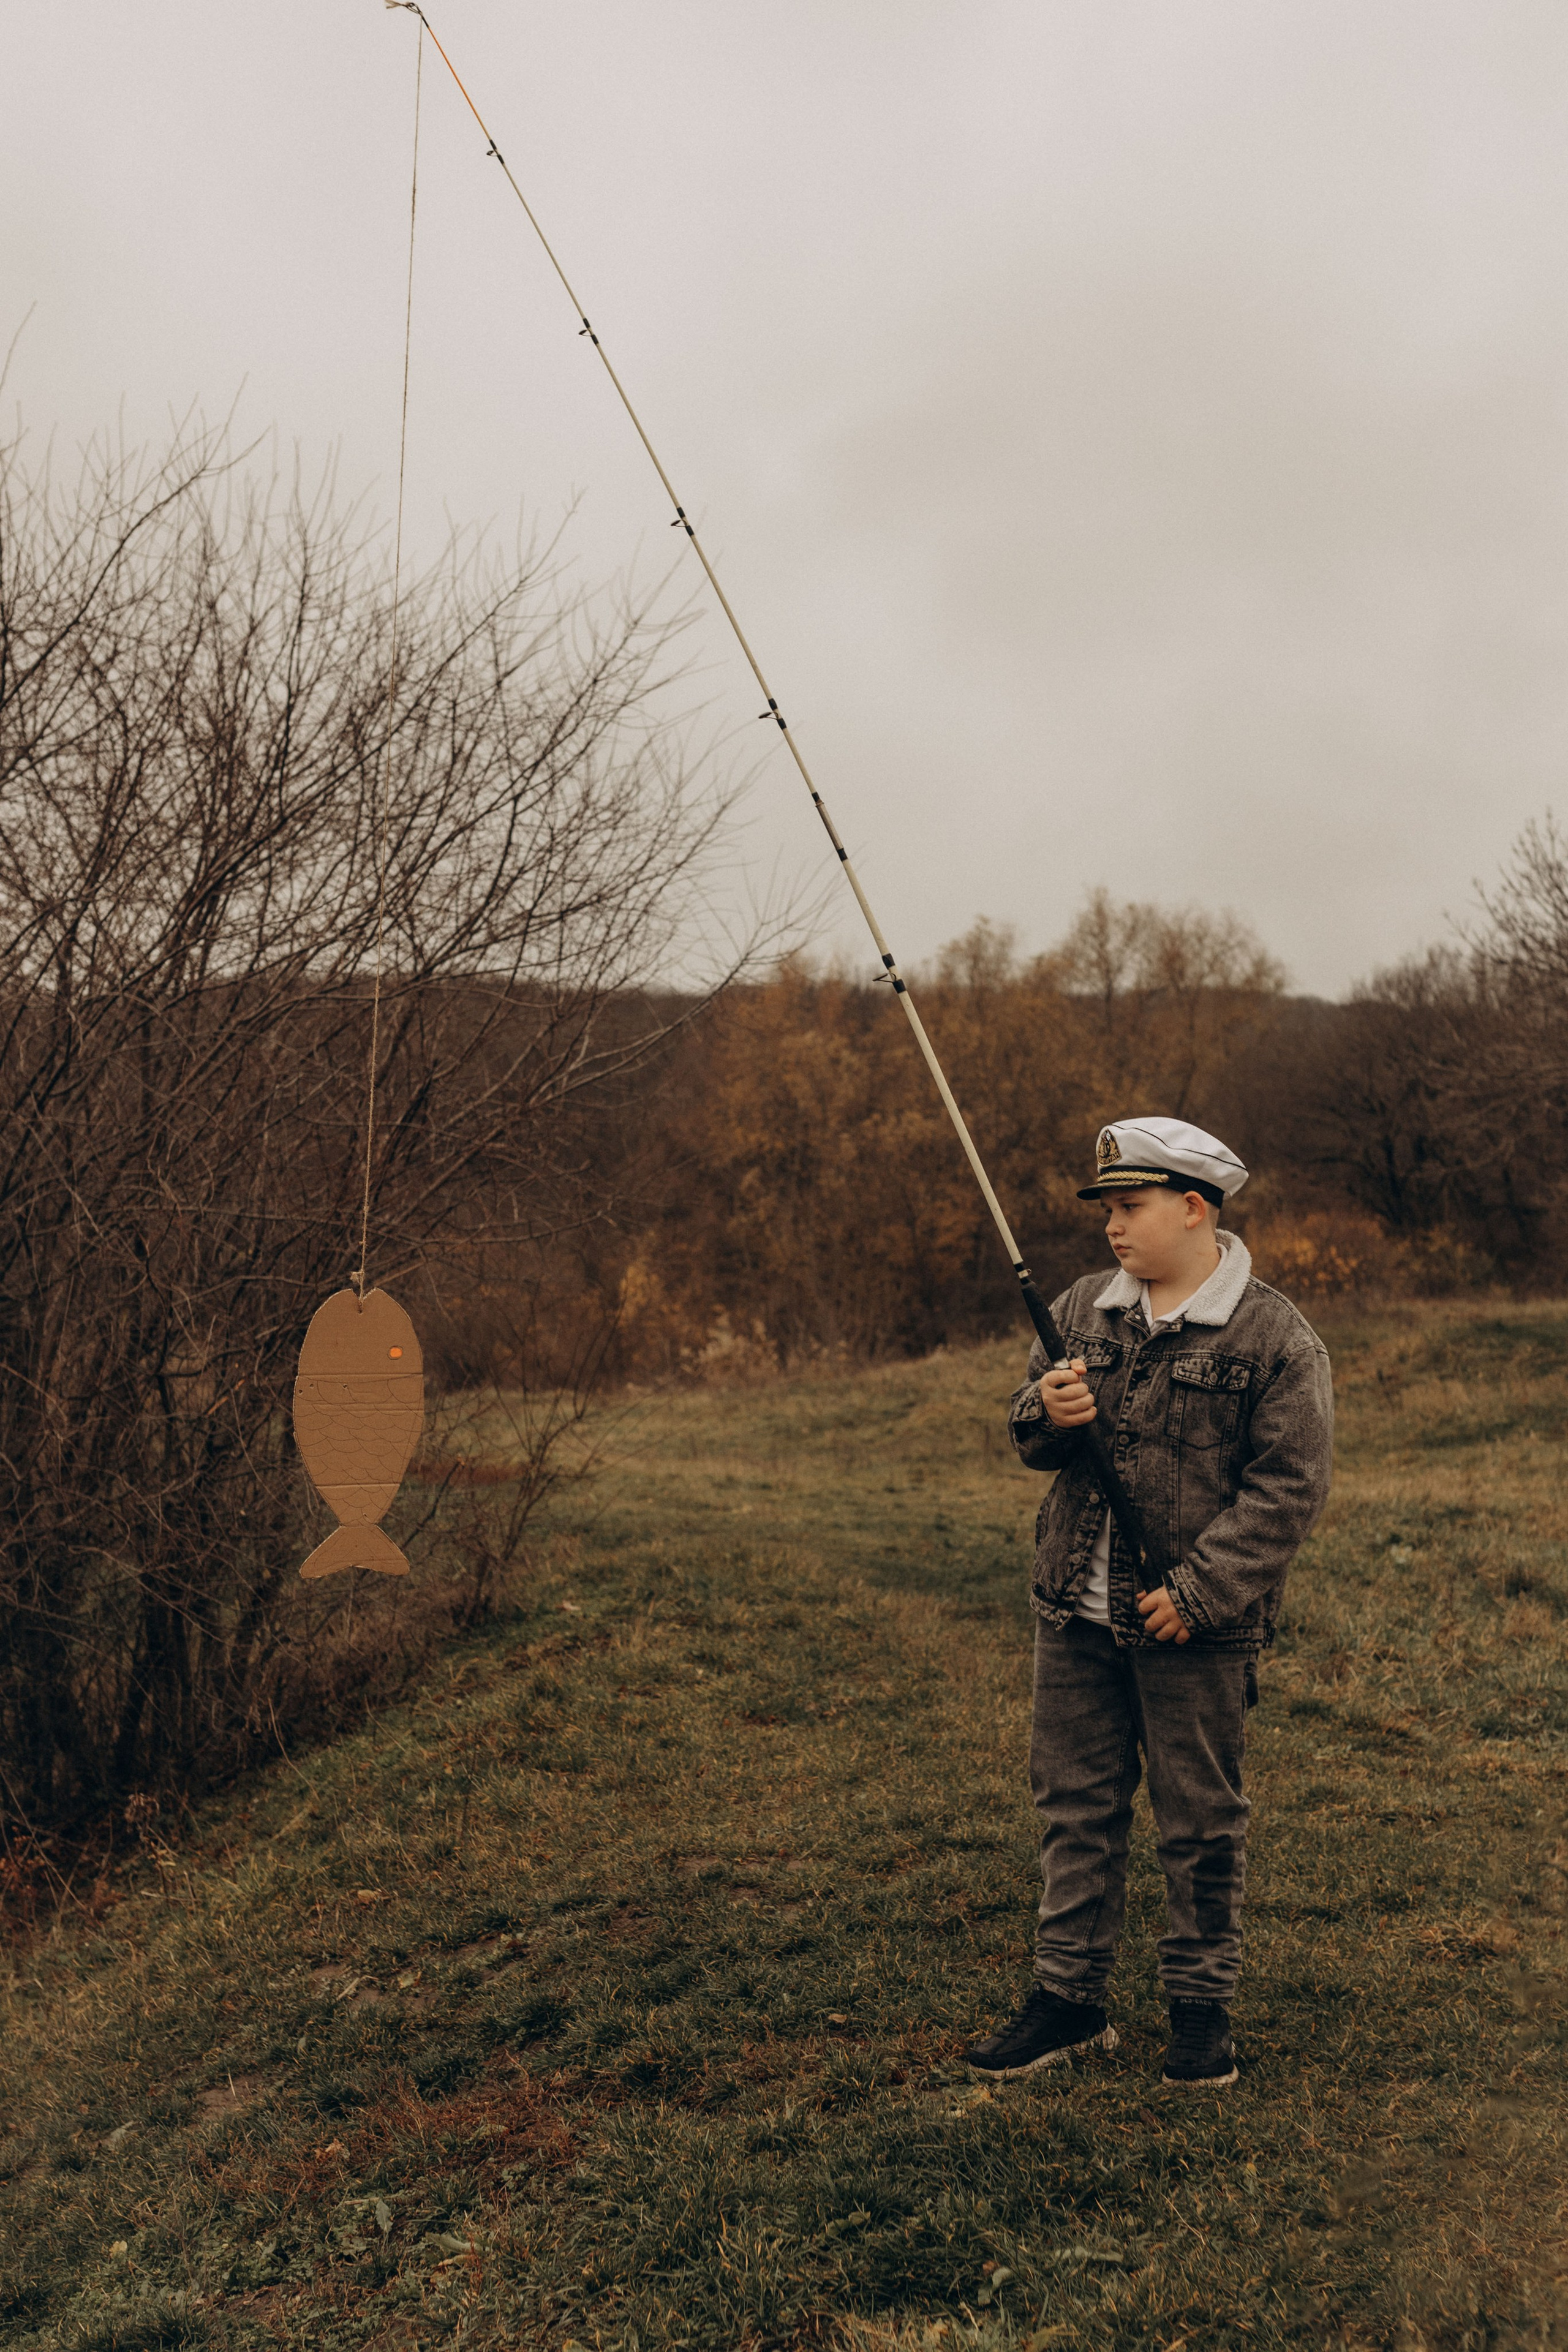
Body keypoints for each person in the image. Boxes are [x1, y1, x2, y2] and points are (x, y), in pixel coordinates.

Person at [964, 1115, 1334, 2090]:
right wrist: (1045, 1409)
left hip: (1193, 1631)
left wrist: (1204, 1593)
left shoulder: (1274, 1335)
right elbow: (1032, 1434)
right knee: (1075, 1806)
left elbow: (1288, 1488)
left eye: (1129, 1208)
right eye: (1107, 1212)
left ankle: (1201, 2011)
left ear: (1193, 1207)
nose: (1113, 1230)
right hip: (1072, 1611)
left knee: (1198, 1820)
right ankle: (1068, 2001)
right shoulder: (1089, 1305)